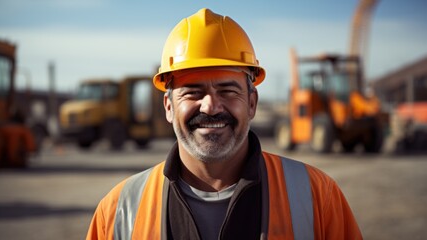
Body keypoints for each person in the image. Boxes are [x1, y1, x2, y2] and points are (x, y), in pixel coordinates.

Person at [86, 8, 362, 240]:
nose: (211, 106)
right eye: (192, 91)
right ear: (169, 107)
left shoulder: (317, 197)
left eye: (228, 91)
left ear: (252, 103)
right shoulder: (118, 211)